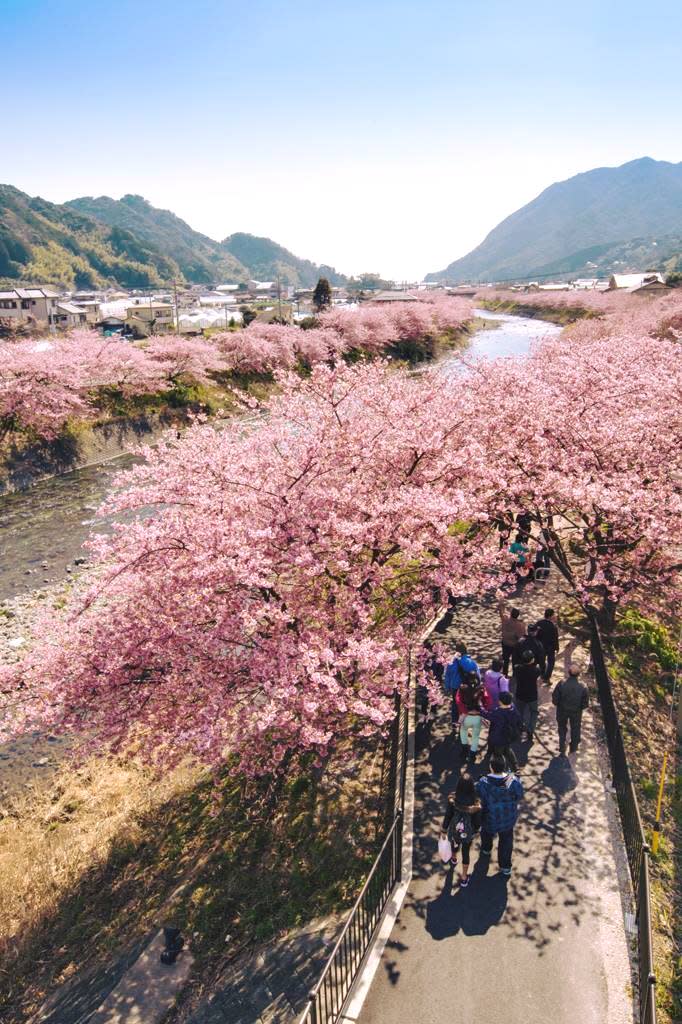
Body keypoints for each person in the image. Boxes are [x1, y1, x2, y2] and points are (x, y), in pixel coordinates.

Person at [475, 753, 524, 877]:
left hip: (489, 818)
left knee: (486, 833)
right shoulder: (514, 782)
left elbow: (477, 797)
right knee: (506, 842)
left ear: (491, 767)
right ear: (504, 766)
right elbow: (519, 796)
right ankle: (505, 866)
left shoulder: (483, 783)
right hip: (507, 819)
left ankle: (486, 849)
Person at [441, 773, 482, 887]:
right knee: (465, 852)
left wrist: (444, 830)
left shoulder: (453, 800)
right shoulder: (475, 803)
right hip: (468, 833)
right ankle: (464, 877)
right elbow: (477, 821)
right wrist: (476, 829)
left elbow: (448, 816)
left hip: (455, 830)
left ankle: (453, 858)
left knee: (455, 843)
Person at [552, 665, 589, 754]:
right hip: (576, 712)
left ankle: (562, 745)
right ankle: (574, 747)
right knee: (575, 728)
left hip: (562, 710)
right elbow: (585, 704)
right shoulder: (583, 687)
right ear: (578, 674)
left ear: (568, 672)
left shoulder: (561, 683)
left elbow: (555, 698)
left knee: (561, 727)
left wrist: (558, 704)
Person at [456, 674, 492, 764]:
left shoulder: (462, 688)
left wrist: (465, 710)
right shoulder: (482, 688)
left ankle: (464, 751)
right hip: (478, 716)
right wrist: (482, 710)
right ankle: (472, 755)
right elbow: (488, 700)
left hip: (466, 716)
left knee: (463, 732)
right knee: (475, 737)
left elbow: (458, 700)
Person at [482, 691, 523, 772]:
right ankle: (515, 767)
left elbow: (487, 715)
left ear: (500, 701)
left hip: (498, 738)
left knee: (498, 754)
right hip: (508, 736)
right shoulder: (513, 710)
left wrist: (480, 707)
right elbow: (519, 721)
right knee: (508, 750)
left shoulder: (498, 712)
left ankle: (499, 770)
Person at [444, 646, 481, 725]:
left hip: (455, 687)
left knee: (455, 703)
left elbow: (447, 676)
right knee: (466, 703)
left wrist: (447, 687)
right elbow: (478, 675)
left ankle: (454, 721)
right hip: (468, 688)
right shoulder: (472, 663)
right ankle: (465, 723)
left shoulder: (451, 663)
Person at [514, 649, 542, 743]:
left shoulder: (517, 668)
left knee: (519, 712)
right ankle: (530, 730)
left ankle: (520, 728)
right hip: (532, 695)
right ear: (532, 660)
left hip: (520, 694)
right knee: (534, 712)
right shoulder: (536, 670)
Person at [498, 601, 526, 676]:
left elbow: (501, 614)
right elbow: (522, 637)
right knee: (515, 661)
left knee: (505, 660)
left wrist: (501, 606)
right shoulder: (519, 625)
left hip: (505, 643)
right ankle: (514, 675)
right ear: (517, 616)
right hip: (514, 646)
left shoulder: (505, 620)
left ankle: (505, 674)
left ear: (510, 614)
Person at [535, 607, 560, 683]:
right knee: (551, 662)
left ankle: (542, 674)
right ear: (550, 616)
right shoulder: (553, 626)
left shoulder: (539, 623)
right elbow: (555, 638)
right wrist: (557, 648)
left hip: (541, 646)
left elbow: (536, 635)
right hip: (550, 647)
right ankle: (546, 677)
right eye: (553, 615)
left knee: (542, 661)